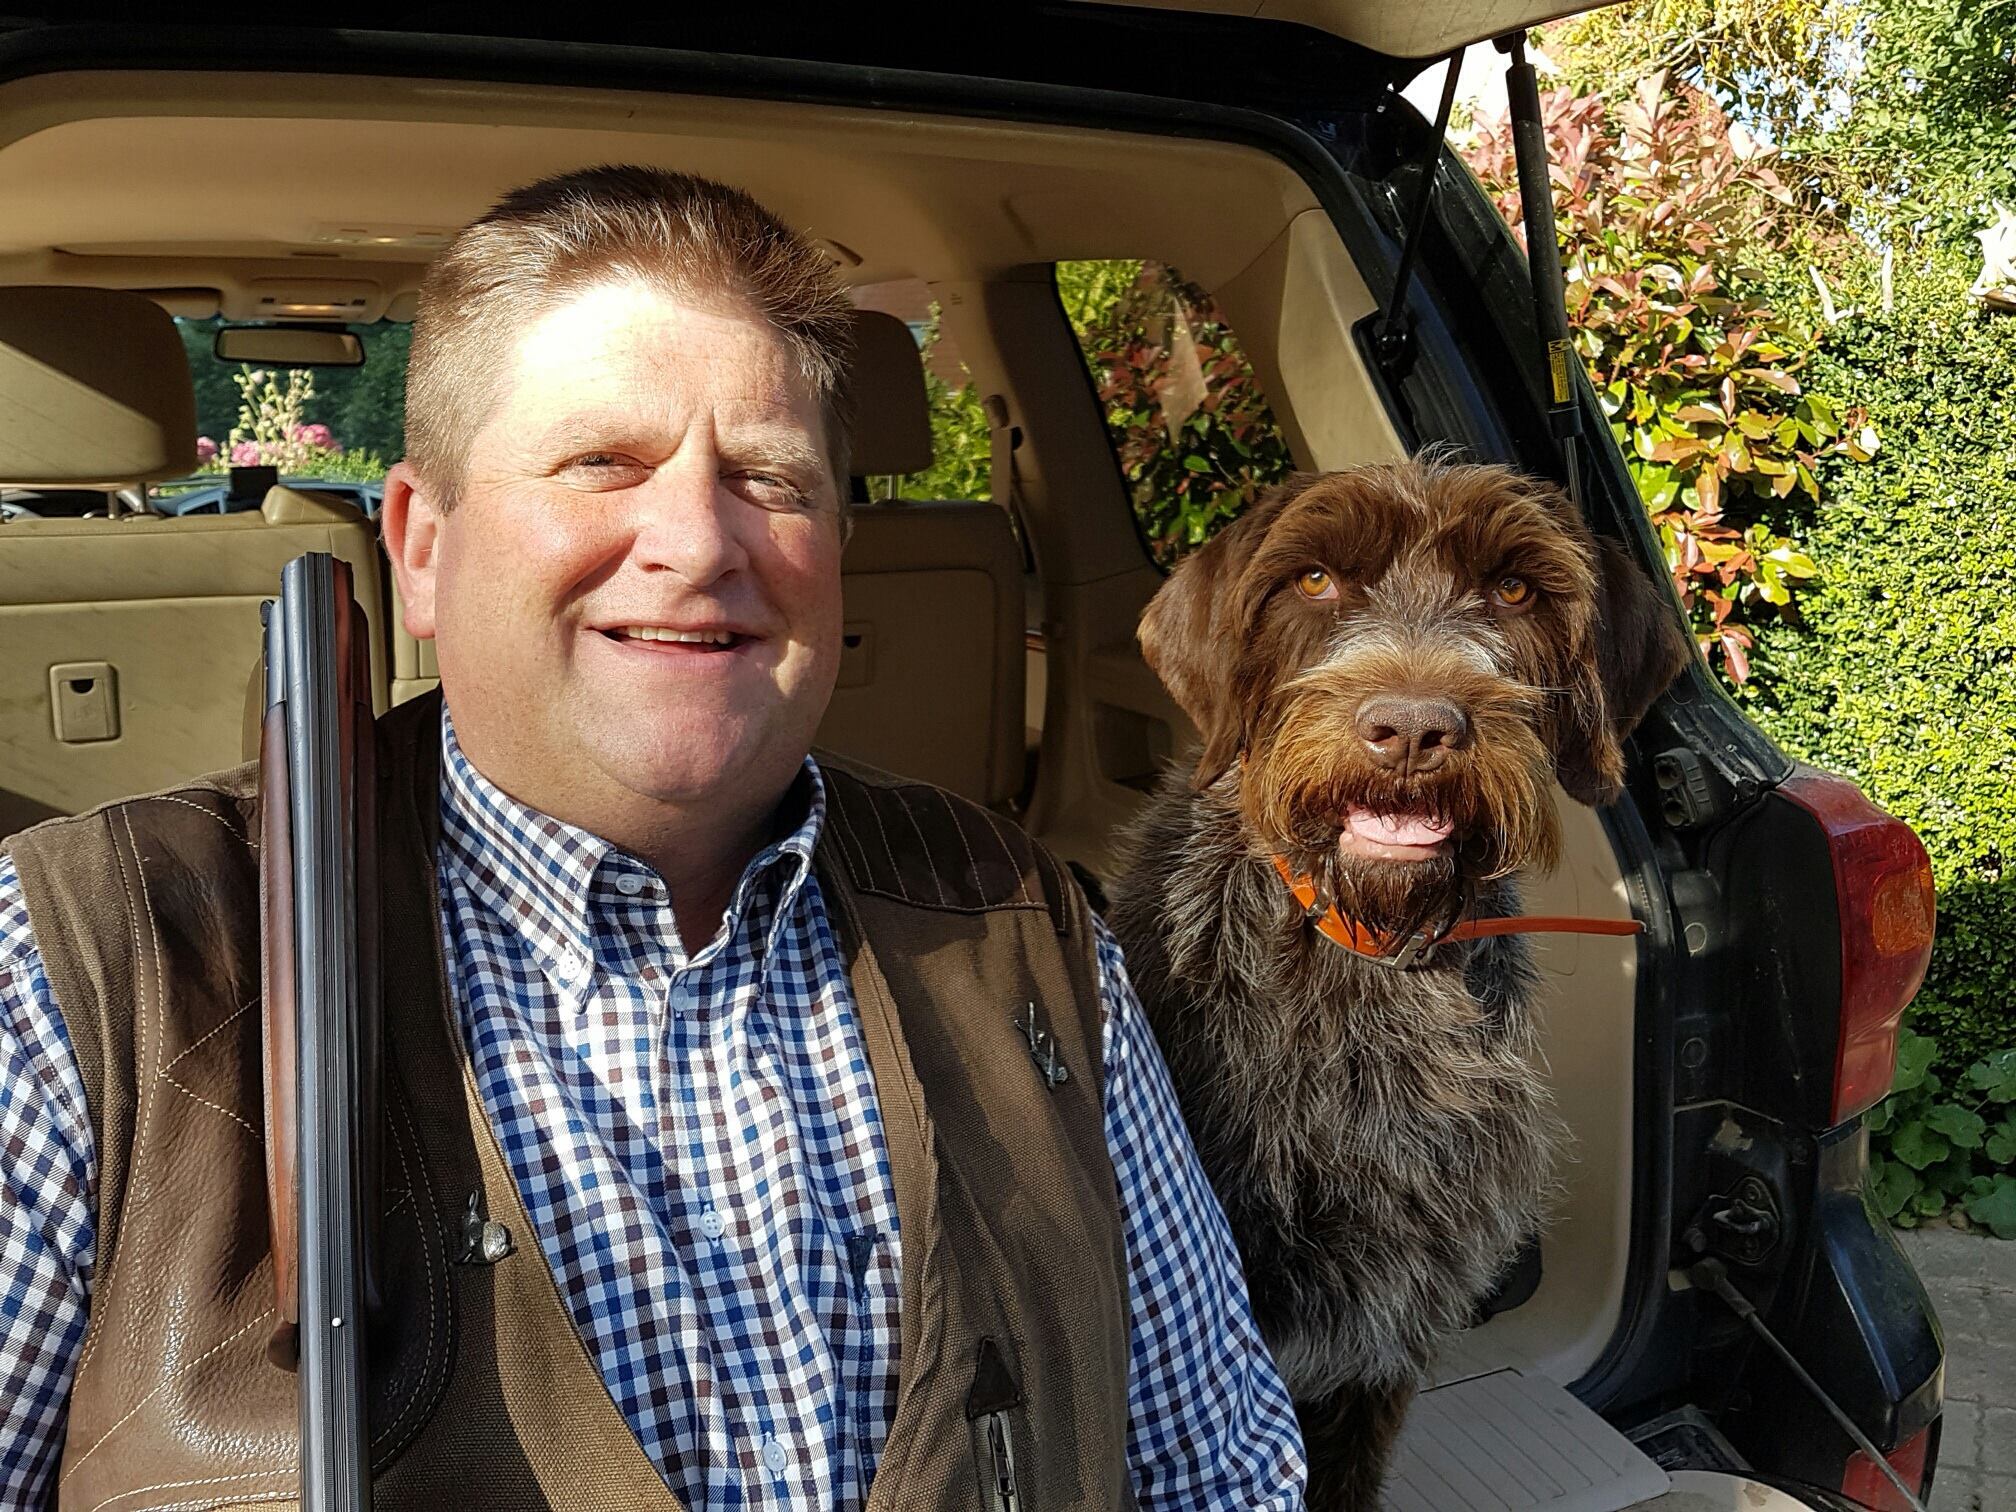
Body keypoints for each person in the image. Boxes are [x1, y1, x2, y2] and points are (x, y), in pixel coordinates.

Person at [0, 166, 1306, 1510]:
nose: (696, 539)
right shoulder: (85, 973)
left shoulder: (1024, 921)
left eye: (768, 478)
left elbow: (1216, 1470)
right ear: (423, 546)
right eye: (601, 464)